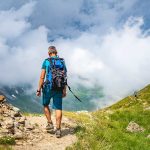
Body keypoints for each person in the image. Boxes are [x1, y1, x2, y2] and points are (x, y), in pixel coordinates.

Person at [36, 46, 67, 138]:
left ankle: (50, 123)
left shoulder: (46, 61)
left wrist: (39, 89)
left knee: (45, 105)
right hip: (59, 87)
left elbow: (42, 76)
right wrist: (64, 90)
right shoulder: (62, 61)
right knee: (58, 108)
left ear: (49, 53)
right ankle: (58, 130)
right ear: (56, 52)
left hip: (48, 87)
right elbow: (64, 76)